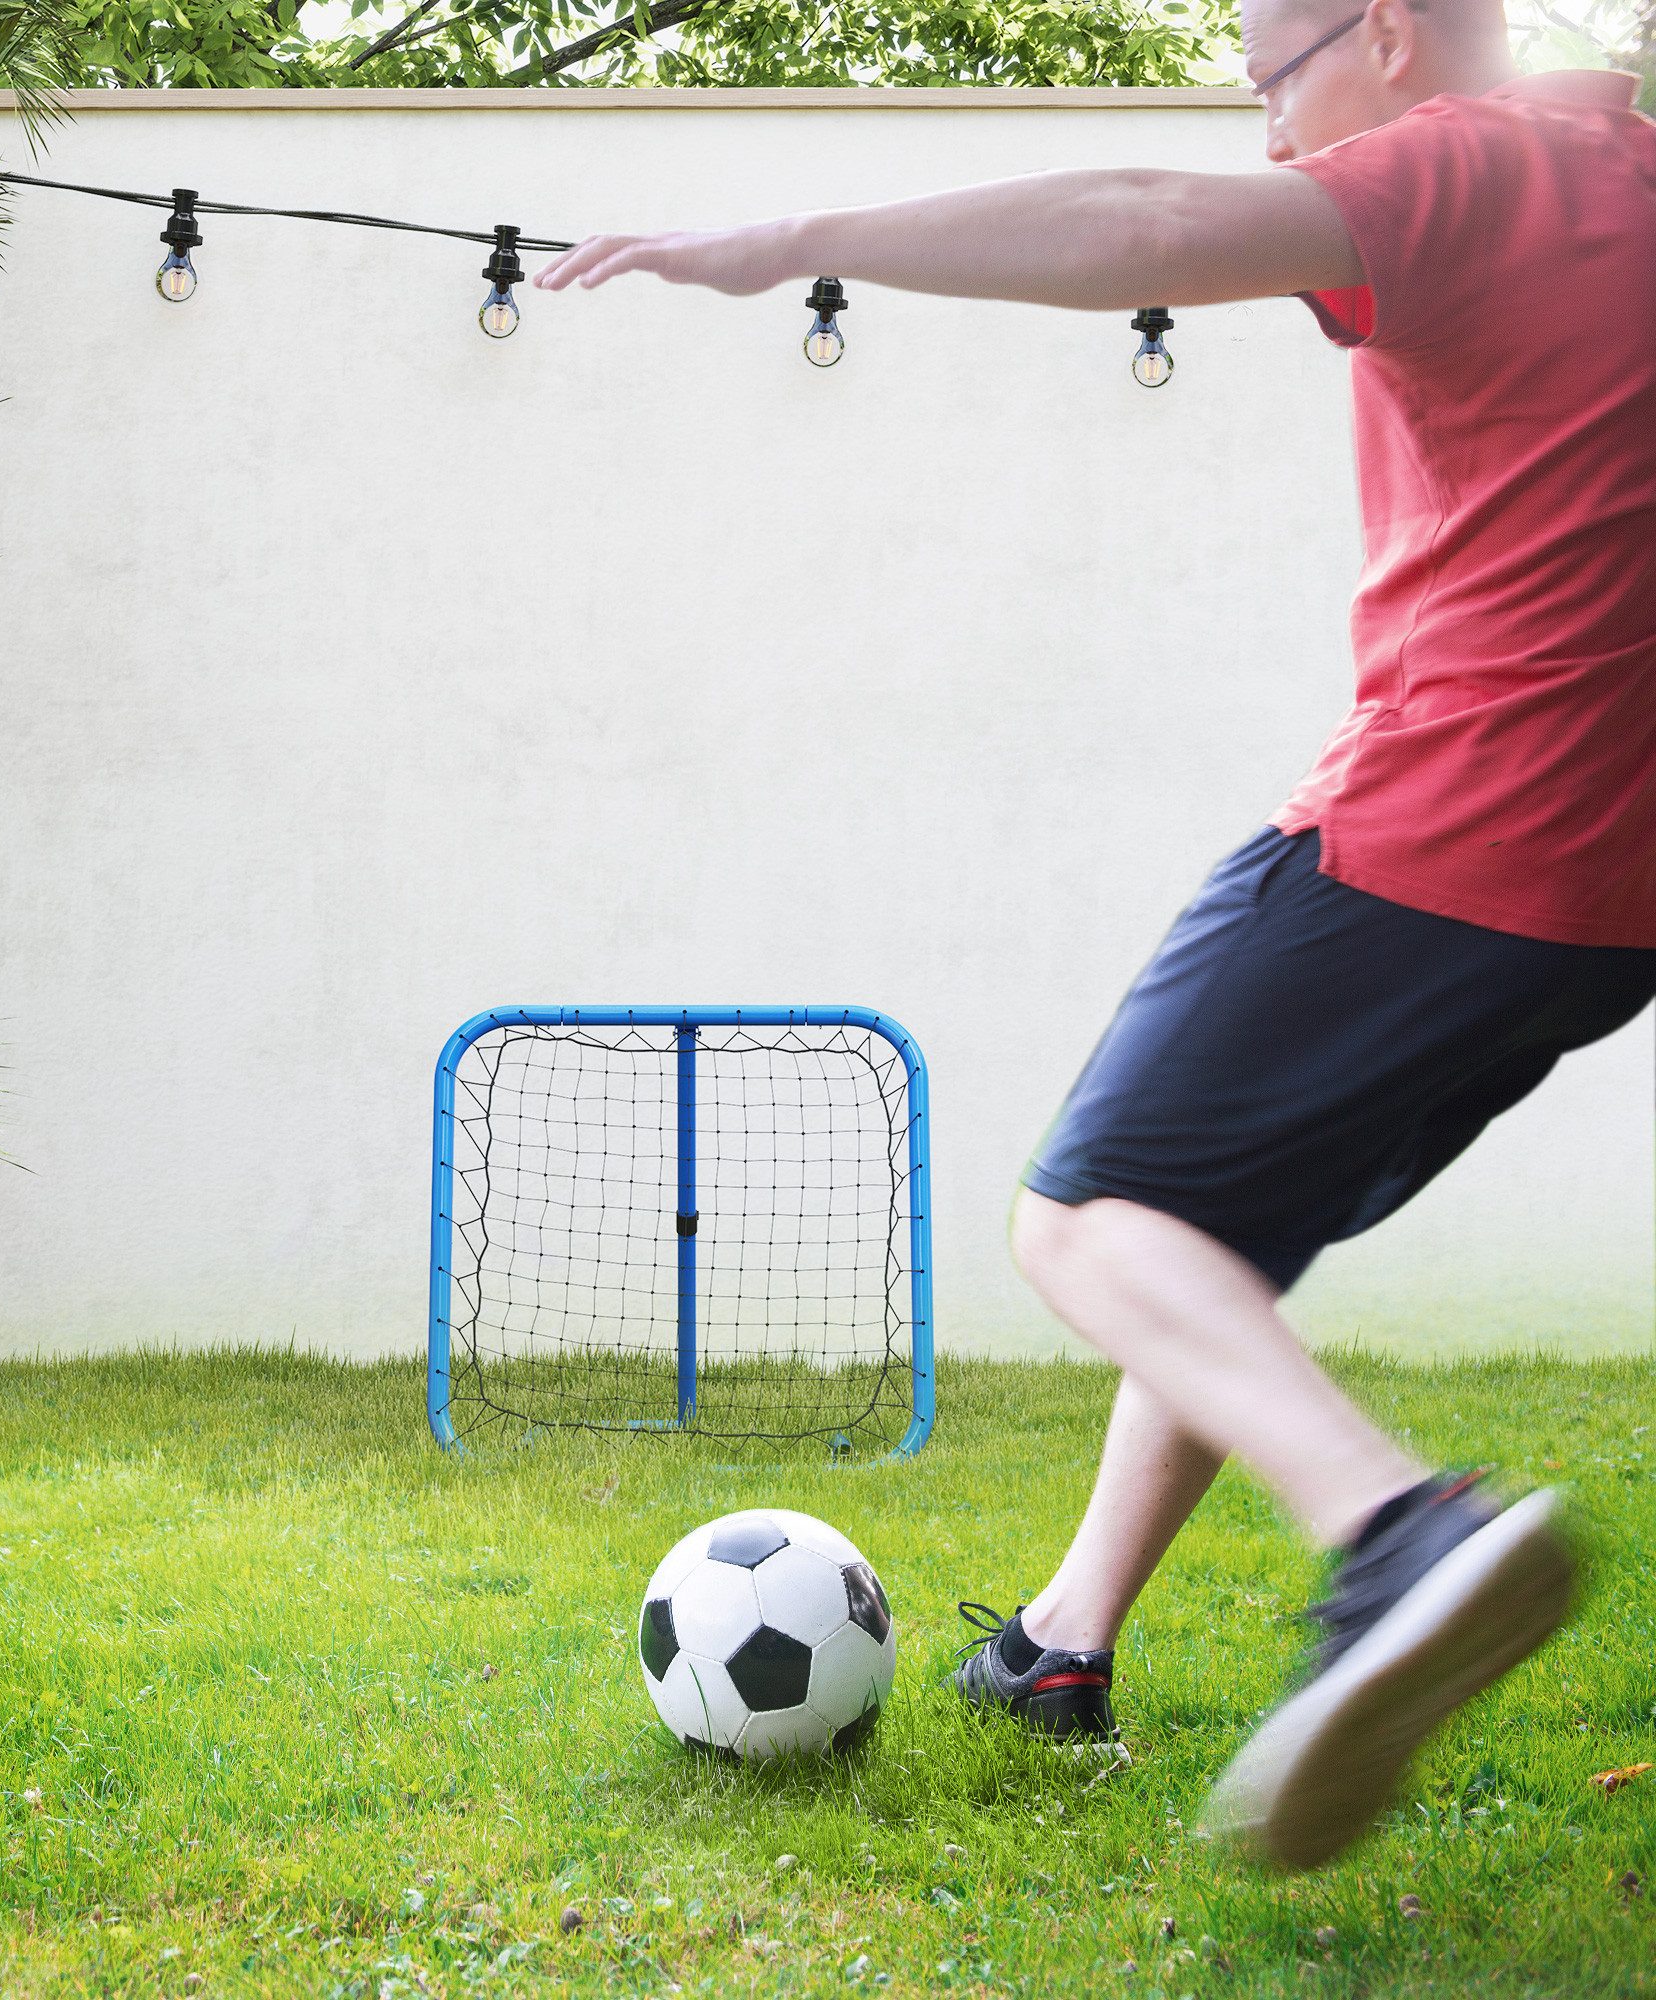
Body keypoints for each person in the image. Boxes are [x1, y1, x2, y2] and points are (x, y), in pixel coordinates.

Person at [533, 0, 1656, 1870]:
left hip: (1450, 823)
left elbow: (1141, 223)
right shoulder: (1633, 175)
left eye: (1277, 81)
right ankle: (1062, 1650)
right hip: (1612, 904)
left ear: (1381, 29)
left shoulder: (1478, 163)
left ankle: (1404, 1535)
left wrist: (792, 240)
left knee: (1087, 1219)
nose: (1275, 135)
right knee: (1209, 1235)